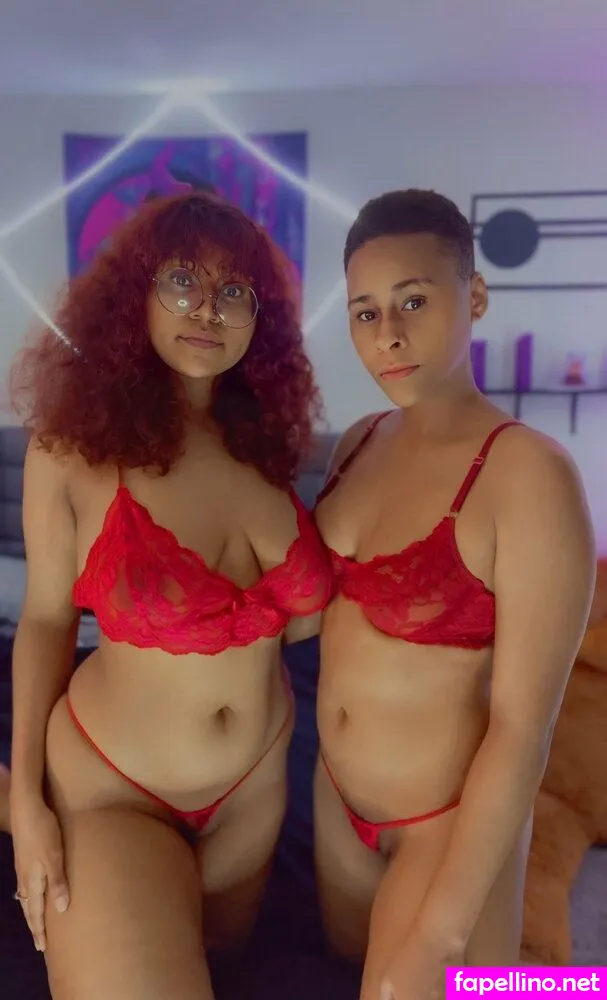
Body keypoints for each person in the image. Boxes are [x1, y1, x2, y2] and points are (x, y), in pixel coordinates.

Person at [9, 192, 332, 1000]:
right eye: (182, 279)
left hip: (253, 796)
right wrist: (29, 799)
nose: (207, 309)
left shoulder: (266, 449)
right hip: (119, 788)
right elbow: (45, 619)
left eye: (234, 291)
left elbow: (305, 622)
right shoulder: (72, 452)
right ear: (134, 296)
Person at [313, 189, 596, 1000]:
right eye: (365, 313)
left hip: (443, 824)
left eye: (413, 301)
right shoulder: (357, 442)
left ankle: (552, 982)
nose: (387, 334)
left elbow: (523, 729)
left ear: (472, 297)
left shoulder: (528, 474)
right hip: (334, 807)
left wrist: (440, 934)